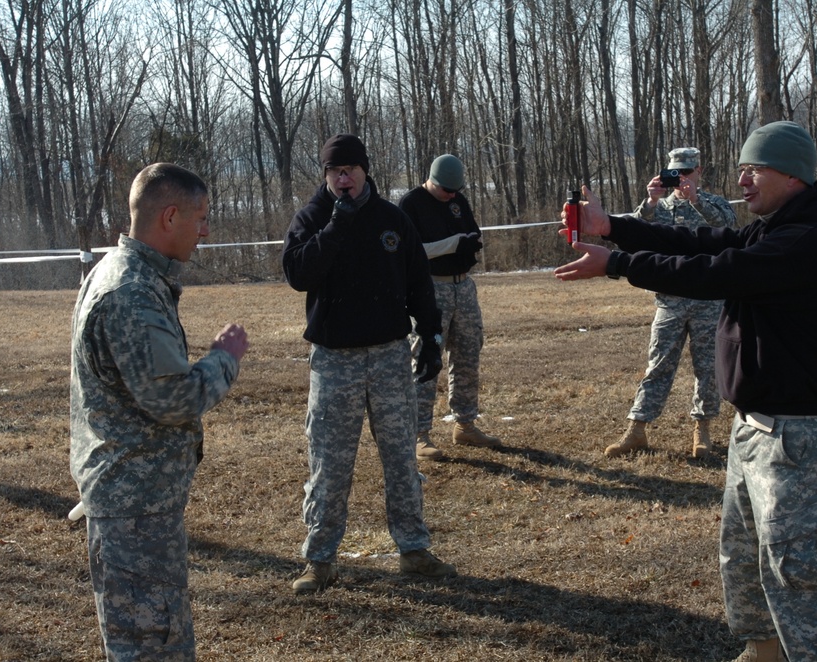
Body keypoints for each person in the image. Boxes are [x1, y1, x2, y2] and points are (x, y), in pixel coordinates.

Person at [554, 121, 817, 662]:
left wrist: (619, 264)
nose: (742, 180)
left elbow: (716, 271)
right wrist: (614, 228)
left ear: (792, 176)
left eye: (754, 170)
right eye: (741, 169)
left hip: (793, 436)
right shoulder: (774, 229)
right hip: (754, 428)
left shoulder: (809, 240)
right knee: (742, 560)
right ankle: (763, 651)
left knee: (797, 574)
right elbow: (700, 241)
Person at [70, 163, 249, 661]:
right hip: (134, 512)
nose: (205, 230)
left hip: (136, 504)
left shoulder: (124, 274)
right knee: (152, 647)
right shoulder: (130, 292)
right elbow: (175, 400)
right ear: (170, 217)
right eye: (201, 217)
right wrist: (224, 358)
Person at [282, 133, 456, 595]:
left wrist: (431, 337)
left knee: (400, 459)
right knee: (329, 464)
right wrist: (335, 227)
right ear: (326, 175)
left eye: (351, 170)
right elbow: (298, 274)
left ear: (365, 171)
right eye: (335, 172)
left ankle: (414, 550)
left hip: (388, 356)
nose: (343, 179)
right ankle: (320, 559)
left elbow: (419, 281)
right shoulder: (312, 217)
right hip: (334, 361)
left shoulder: (392, 219)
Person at [606, 147, 736, 459]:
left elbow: (728, 227)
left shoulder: (714, 203)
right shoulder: (660, 207)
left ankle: (702, 430)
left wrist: (696, 200)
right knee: (658, 365)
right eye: (676, 173)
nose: (682, 179)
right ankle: (637, 429)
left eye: (688, 172)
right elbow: (633, 232)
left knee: (708, 368)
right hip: (670, 301)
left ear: (698, 171)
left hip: (708, 299)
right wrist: (650, 201)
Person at [399, 154, 502, 461]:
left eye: (456, 191)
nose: (451, 196)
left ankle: (465, 424)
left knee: (468, 354)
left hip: (463, 286)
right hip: (431, 288)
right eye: (446, 190)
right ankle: (419, 434)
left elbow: (470, 232)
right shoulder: (410, 204)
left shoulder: (458, 201)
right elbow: (409, 251)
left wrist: (470, 243)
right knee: (426, 359)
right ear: (432, 180)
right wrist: (454, 243)